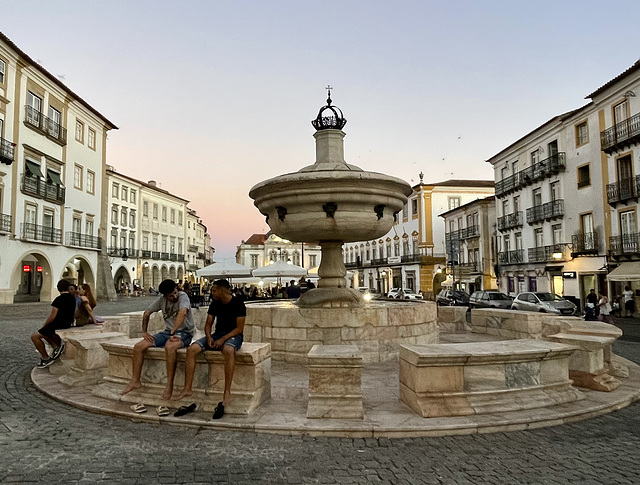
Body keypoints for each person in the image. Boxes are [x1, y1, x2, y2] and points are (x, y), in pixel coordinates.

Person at [177, 279, 246, 419]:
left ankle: (227, 391)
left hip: (233, 335)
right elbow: (208, 324)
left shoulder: (238, 303)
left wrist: (223, 339)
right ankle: (187, 388)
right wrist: (209, 337)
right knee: (192, 349)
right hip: (216, 334)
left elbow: (239, 328)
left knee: (228, 350)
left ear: (223, 290)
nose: (211, 292)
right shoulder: (215, 304)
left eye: (214, 290)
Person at [121, 279, 195, 400]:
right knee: (139, 347)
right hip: (168, 332)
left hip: (185, 332)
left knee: (170, 347)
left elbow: (183, 313)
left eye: (175, 292)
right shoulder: (161, 300)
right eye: (171, 296)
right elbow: (146, 313)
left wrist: (173, 332)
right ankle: (135, 381)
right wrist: (144, 331)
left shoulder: (183, 296)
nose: (175, 296)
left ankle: (169, 385)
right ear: (165, 296)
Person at [31, 279, 76, 368]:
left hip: (58, 323)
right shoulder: (72, 298)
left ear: (58, 288)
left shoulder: (59, 299)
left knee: (35, 336)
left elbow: (52, 316)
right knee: (44, 333)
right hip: (67, 323)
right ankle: (55, 346)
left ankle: (45, 357)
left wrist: (45, 325)